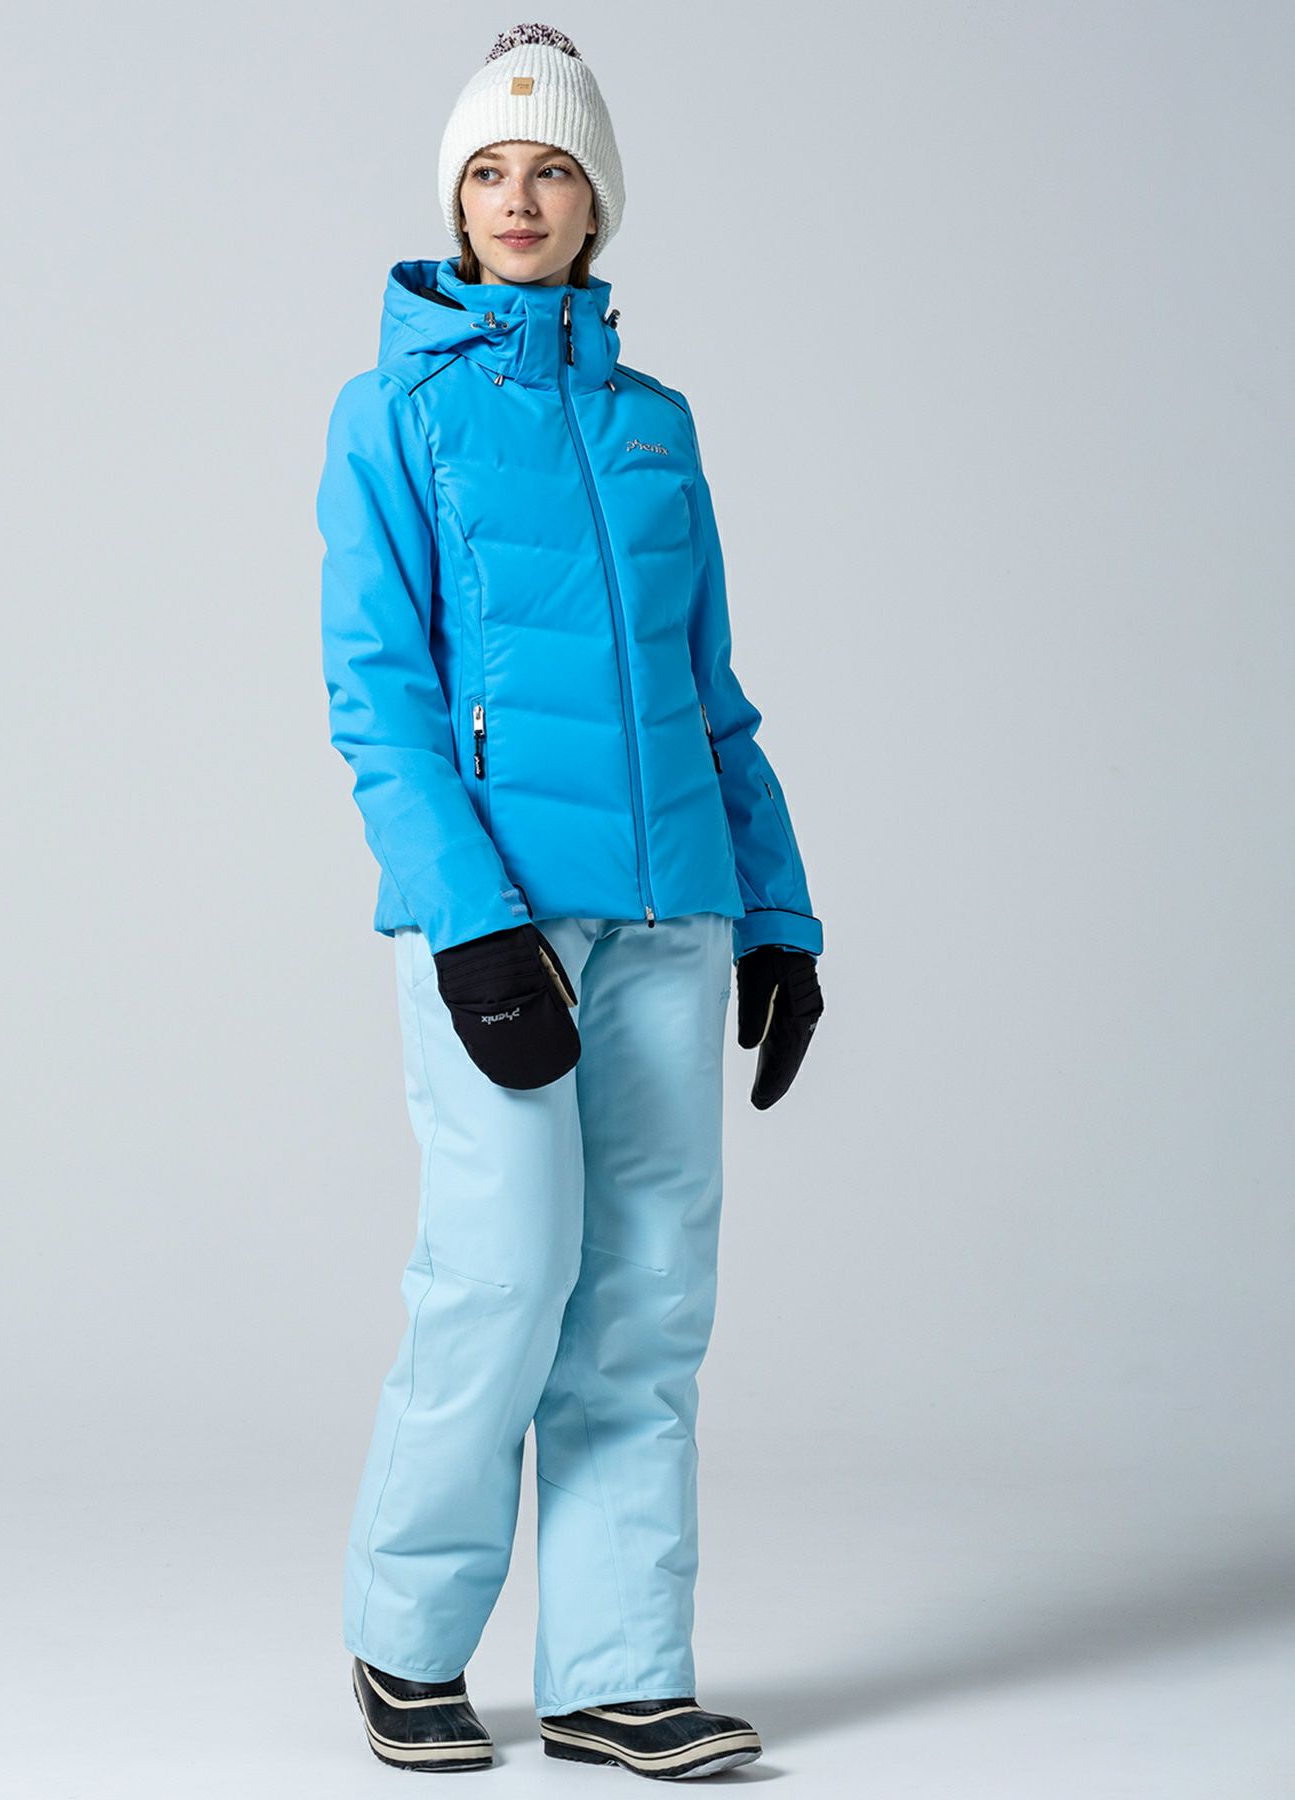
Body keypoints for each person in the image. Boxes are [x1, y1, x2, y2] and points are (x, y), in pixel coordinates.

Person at [315, 22, 825, 1781]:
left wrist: (780, 916)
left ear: (596, 199)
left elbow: (712, 697)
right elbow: (377, 694)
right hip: (504, 922)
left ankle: (617, 1675)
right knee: (502, 1275)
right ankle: (405, 1643)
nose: (518, 198)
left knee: (648, 1303)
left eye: (550, 169)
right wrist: (467, 920)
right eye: (487, 170)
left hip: (672, 916)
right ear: (453, 201)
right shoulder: (393, 414)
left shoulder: (654, 428)